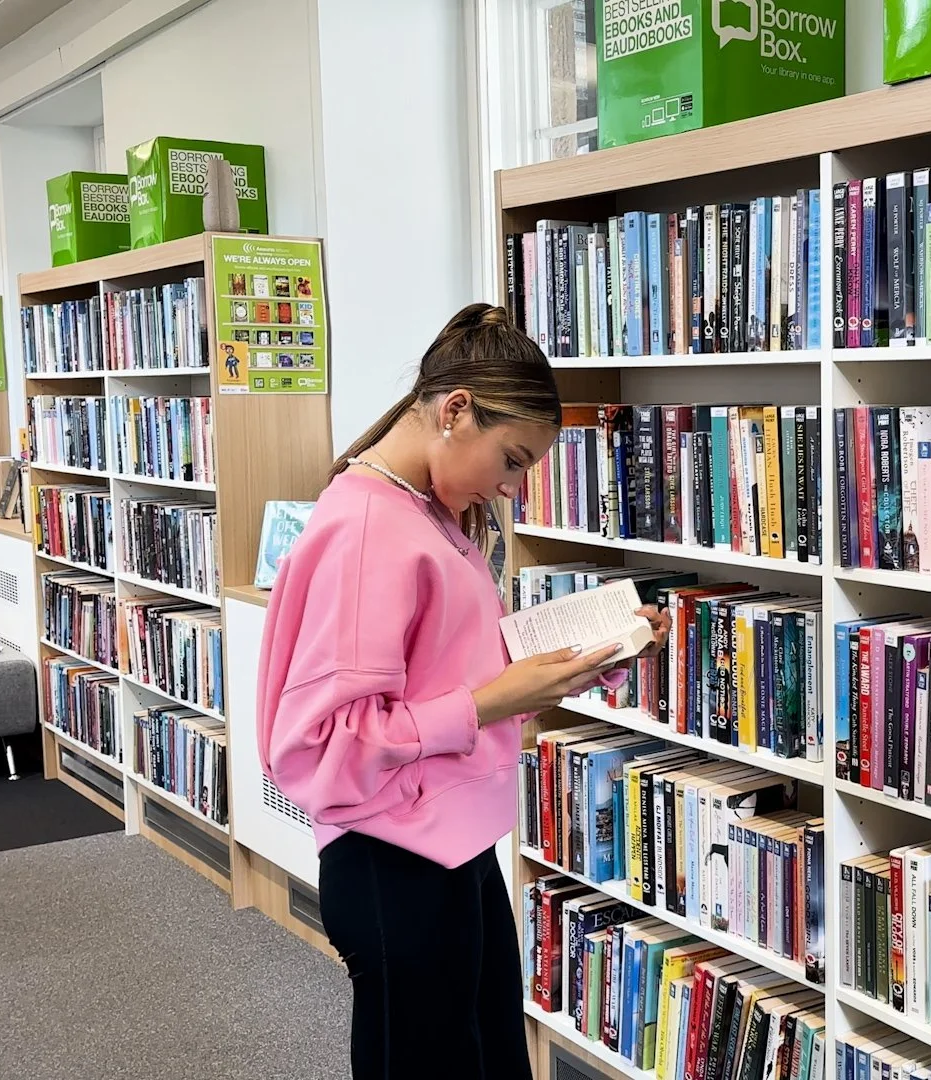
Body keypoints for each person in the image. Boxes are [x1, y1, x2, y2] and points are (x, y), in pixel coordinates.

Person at [259, 303, 668, 1079]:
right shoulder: (368, 530)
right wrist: (491, 702)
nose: (513, 488)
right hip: (393, 859)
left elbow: (455, 674)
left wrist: (591, 656)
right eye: (511, 460)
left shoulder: (430, 515)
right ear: (455, 411)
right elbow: (317, 744)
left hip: (448, 844)